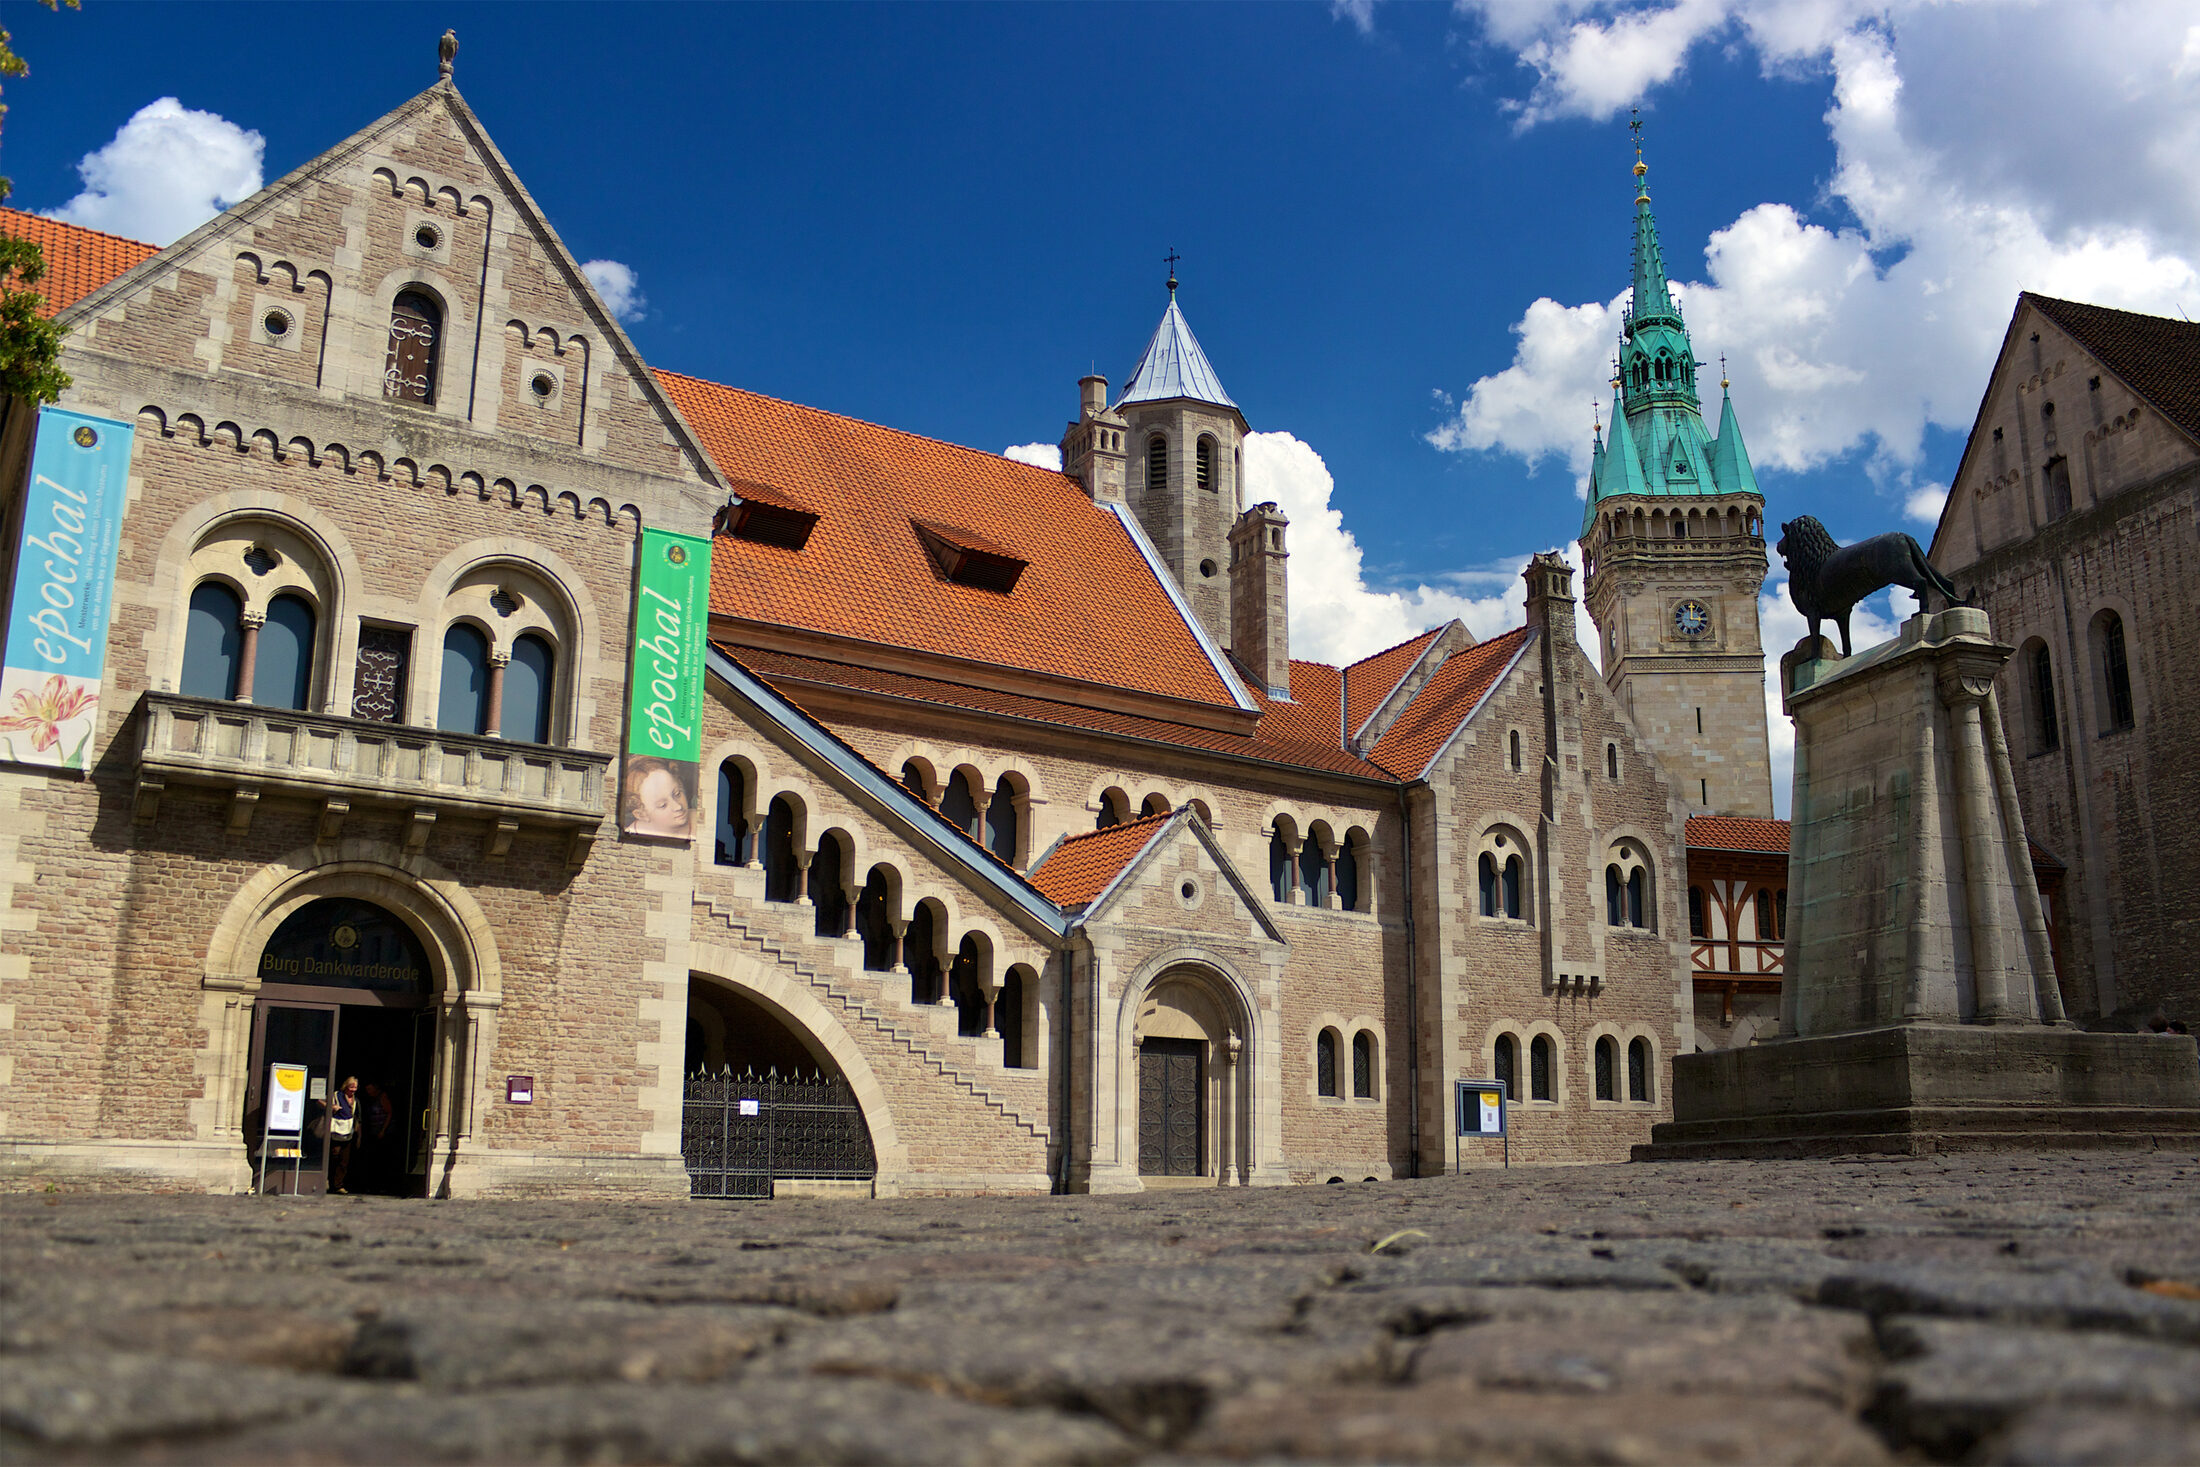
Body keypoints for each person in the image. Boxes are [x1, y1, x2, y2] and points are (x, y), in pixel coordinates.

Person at [621, 757, 696, 837]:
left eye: (677, 794)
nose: (678, 807)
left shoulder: (698, 820)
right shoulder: (632, 835)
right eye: (663, 805)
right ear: (642, 814)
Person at [325, 1076, 360, 1194]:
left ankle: (338, 1185)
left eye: (355, 1087)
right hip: (336, 1131)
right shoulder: (336, 1095)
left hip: (348, 1132)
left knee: (344, 1160)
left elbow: (358, 1118)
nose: (353, 1090)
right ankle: (328, 1180)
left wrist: (359, 1135)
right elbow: (319, 1101)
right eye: (351, 1087)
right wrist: (331, 1107)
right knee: (334, 1156)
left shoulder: (355, 1100)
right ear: (345, 1086)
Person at [358, 1080, 394, 1194]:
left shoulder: (382, 1097)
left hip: (381, 1133)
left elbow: (389, 1112)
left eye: (370, 1089)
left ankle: (381, 1186)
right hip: (372, 1132)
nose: (368, 1092)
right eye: (367, 1090)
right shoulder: (370, 1099)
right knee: (371, 1159)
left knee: (380, 1160)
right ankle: (372, 1185)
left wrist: (383, 1130)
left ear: (375, 1088)